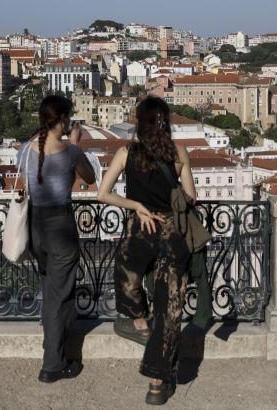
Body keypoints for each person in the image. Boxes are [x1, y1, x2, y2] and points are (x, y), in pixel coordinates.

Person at [96, 96, 197, 405]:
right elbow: (191, 197)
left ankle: (137, 321)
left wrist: (137, 206)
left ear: (138, 122)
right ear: (165, 122)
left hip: (140, 228)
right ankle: (157, 383)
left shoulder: (127, 153)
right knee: (169, 307)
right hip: (171, 232)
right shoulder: (179, 153)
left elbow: (103, 194)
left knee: (126, 271)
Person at [16, 94, 97, 383]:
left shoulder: (24, 151)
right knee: (60, 297)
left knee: (51, 290)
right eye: (68, 118)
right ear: (62, 120)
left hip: (36, 227)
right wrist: (76, 145)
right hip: (60, 226)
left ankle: (52, 345)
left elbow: (29, 184)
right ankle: (53, 364)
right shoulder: (69, 153)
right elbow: (89, 178)